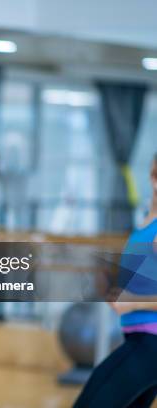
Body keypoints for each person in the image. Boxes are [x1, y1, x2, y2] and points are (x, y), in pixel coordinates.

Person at [73, 154, 157, 408]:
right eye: (155, 174)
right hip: (139, 340)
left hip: (150, 344)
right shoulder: (147, 221)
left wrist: (132, 304)